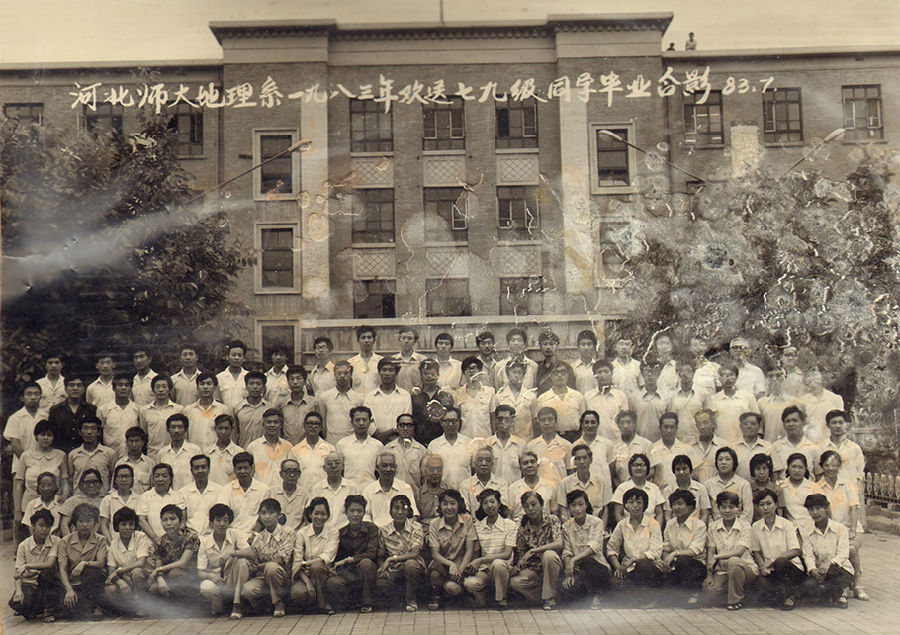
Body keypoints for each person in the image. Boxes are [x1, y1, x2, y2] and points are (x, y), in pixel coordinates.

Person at [814, 450, 868, 600]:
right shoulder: (818, 487)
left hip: (851, 528)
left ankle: (857, 583)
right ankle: (841, 586)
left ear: (839, 466)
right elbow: (825, 511)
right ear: (822, 466)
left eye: (834, 465)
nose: (830, 469)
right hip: (831, 529)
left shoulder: (847, 484)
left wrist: (852, 530)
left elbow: (854, 507)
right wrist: (833, 530)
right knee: (835, 552)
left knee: (851, 550)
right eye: (827, 465)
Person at [239, 498, 294, 618]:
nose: (267, 517)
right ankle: (266, 606)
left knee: (271, 567)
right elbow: (253, 561)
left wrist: (259, 566)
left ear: (279, 515)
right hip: (263, 577)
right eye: (263, 513)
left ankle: (279, 602)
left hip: (283, 577)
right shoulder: (258, 539)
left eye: (271, 513)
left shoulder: (288, 533)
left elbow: (280, 559)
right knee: (247, 590)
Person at [749, 488, 804, 610]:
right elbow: (756, 552)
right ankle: (782, 594)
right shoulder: (756, 526)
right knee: (761, 585)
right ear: (758, 507)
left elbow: (796, 550)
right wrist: (762, 567)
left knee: (781, 562)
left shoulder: (787, 524)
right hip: (771, 569)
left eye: (769, 504)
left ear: (776, 505)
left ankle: (790, 596)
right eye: (762, 505)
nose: (765, 508)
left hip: (790, 568)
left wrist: (774, 560)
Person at [703, 491, 757, 610]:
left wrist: (719, 556)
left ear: (738, 509)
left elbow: (739, 551)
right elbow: (711, 551)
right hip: (722, 569)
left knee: (734, 561)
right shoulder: (713, 526)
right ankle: (733, 592)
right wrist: (709, 575)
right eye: (723, 507)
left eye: (731, 507)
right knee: (710, 592)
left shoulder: (745, 526)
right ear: (718, 508)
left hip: (745, 568)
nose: (727, 511)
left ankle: (734, 601)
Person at [463, 488, 516, 609]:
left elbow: (507, 554)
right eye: (485, 503)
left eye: (492, 501)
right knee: (470, 583)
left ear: (499, 503)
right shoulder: (477, 527)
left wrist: (482, 560)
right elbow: (476, 554)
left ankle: (501, 599)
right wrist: (476, 567)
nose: (489, 506)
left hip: (504, 569)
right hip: (485, 570)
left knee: (498, 564)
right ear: (481, 506)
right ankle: (484, 599)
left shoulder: (510, 525)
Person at [510, 490, 563, 610]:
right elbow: (522, 555)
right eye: (527, 506)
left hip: (552, 566)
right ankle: (543, 597)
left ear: (541, 504)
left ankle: (549, 598)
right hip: (534, 569)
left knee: (548, 555)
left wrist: (534, 550)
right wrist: (517, 567)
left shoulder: (552, 520)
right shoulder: (524, 527)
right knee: (514, 582)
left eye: (534, 504)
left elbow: (558, 543)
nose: (531, 509)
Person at [4, 382, 49, 524]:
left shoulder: (46, 415)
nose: (33, 397)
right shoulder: (16, 418)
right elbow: (15, 444)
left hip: (44, 464)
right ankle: (19, 535)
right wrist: (29, 461)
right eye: (29, 394)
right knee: (20, 507)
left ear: (41, 397)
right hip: (21, 465)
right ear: (22, 398)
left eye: (36, 394)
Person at [326, 495, 379, 613]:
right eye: (352, 511)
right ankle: (350, 603)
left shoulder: (371, 529)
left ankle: (366, 604)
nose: (355, 514)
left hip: (367, 571)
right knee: (332, 582)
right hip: (348, 573)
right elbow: (338, 560)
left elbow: (371, 554)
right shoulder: (341, 533)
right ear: (346, 512)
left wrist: (350, 559)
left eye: (359, 511)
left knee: (366, 563)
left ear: (364, 512)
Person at [800, 494, 854, 608]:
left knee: (834, 578)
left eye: (818, 508)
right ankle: (834, 593)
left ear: (826, 508)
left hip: (840, 569)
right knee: (808, 587)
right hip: (819, 572)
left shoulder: (840, 529)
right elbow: (808, 555)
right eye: (811, 509)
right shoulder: (807, 531)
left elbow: (843, 553)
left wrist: (829, 564)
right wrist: (812, 570)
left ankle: (840, 592)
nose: (815, 512)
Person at [560, 489, 611, 609]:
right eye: (573, 505)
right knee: (567, 590)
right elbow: (567, 551)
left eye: (581, 504)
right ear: (569, 508)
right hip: (577, 569)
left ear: (586, 505)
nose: (577, 509)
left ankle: (596, 596)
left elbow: (593, 547)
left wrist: (574, 560)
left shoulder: (597, 522)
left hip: (597, 566)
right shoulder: (566, 526)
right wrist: (569, 573)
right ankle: (587, 596)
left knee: (587, 561)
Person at [197, 503, 250, 618]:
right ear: (211, 523)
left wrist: (232, 553)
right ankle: (222, 603)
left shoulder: (235, 534)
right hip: (217, 580)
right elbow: (200, 571)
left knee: (242, 561)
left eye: (225, 520)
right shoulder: (205, 542)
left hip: (234, 578)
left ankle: (237, 604)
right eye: (218, 520)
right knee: (206, 587)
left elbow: (250, 553)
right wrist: (211, 576)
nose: (222, 524)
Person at [818, 409, 866, 533]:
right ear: (828, 425)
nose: (838, 426)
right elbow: (818, 472)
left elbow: (860, 473)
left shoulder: (854, 448)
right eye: (834, 422)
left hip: (849, 494)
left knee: (852, 530)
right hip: (829, 492)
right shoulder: (821, 447)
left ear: (846, 424)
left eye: (841, 422)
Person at [427, 489, 476, 610]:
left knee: (457, 588)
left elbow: (470, 549)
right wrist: (451, 565)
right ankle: (436, 595)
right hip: (444, 566)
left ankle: (459, 594)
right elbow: (435, 554)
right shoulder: (434, 524)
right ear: (440, 506)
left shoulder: (467, 519)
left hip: (463, 564)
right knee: (436, 574)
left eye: (453, 503)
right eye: (445, 504)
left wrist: (460, 569)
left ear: (459, 504)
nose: (449, 507)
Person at [376, 494, 426, 612]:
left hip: (413, 565)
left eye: (404, 509)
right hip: (393, 568)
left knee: (410, 565)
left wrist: (391, 558)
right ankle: (396, 601)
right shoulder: (384, 530)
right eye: (396, 508)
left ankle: (411, 600)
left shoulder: (416, 527)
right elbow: (380, 555)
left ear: (408, 511)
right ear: (390, 511)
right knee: (381, 582)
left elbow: (415, 553)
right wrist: (381, 567)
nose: (400, 512)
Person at [57, 503, 108, 620]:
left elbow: (100, 562)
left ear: (95, 523)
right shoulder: (65, 541)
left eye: (89, 521)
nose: (85, 525)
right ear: (75, 523)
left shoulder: (101, 540)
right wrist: (69, 589)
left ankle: (96, 607)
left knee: (93, 571)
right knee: (70, 611)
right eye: (81, 521)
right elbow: (62, 568)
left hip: (90, 583)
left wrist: (84, 563)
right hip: (72, 583)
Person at [10, 508, 61, 623]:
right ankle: (35, 608)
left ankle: (48, 611)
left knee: (47, 572)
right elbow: (18, 572)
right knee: (17, 602)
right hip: (30, 583)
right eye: (41, 525)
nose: (45, 530)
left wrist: (28, 566)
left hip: (47, 581)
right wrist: (18, 590)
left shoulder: (56, 541)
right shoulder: (23, 545)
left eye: (48, 526)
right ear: (33, 526)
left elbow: (49, 563)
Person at [290, 497, 339, 614]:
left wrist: (305, 563)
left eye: (323, 514)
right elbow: (297, 562)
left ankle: (322, 603)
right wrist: (307, 582)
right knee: (298, 593)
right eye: (316, 513)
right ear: (310, 514)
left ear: (328, 516)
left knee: (317, 566)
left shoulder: (333, 532)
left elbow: (327, 557)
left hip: (325, 573)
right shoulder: (302, 533)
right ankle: (312, 604)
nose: (319, 517)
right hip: (305, 574)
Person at [14, 420, 69, 522]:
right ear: (36, 436)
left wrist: (65, 494)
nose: (45, 438)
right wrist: (17, 511)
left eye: (49, 435)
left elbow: (64, 480)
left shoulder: (61, 455)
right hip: (29, 505)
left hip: (53, 506)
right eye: (42, 434)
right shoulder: (26, 456)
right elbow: (18, 484)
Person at [104, 506, 151, 615]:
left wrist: (120, 571)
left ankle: (142, 606)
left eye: (131, 524)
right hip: (126, 580)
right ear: (117, 526)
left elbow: (141, 562)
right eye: (123, 524)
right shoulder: (113, 545)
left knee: (136, 572)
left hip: (144, 578)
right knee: (110, 589)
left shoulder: (141, 537)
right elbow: (111, 572)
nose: (128, 528)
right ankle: (128, 610)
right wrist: (119, 581)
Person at [659, 489, 706, 598]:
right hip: (675, 564)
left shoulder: (699, 525)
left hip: (695, 565)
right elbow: (666, 547)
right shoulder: (670, 524)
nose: (676, 508)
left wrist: (674, 554)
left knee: (682, 560)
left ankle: (691, 595)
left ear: (690, 507)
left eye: (680, 504)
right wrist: (666, 561)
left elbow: (694, 550)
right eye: (674, 504)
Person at [148, 504, 200, 599]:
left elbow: (182, 563)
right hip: (167, 576)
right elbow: (158, 564)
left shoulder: (191, 538)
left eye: (172, 519)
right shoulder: (160, 542)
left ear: (180, 521)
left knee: (174, 573)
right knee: (154, 588)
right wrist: (160, 578)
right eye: (165, 520)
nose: (168, 523)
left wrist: (159, 570)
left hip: (189, 576)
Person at [217, 452, 271, 537]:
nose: (242, 471)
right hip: (232, 536)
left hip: (256, 536)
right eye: (239, 468)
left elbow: (264, 517)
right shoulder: (227, 489)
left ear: (252, 468)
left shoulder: (264, 490)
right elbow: (222, 515)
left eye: (246, 468)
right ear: (234, 470)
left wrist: (254, 535)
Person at [556, 444, 612, 527]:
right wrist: (569, 528)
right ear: (574, 462)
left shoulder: (602, 482)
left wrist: (601, 530)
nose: (582, 462)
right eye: (578, 459)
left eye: (585, 458)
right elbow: (563, 509)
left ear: (591, 460)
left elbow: (606, 510)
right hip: (573, 528)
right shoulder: (565, 483)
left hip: (596, 527)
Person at [707, 361, 758, 444]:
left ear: (737, 377)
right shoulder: (713, 400)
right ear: (719, 378)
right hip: (721, 443)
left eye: (731, 375)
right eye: (724, 375)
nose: (728, 378)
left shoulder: (748, 397)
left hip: (743, 442)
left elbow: (757, 420)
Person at [363, 451, 419, 526]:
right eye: (384, 466)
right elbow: (366, 517)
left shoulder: (405, 488)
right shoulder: (368, 491)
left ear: (396, 467)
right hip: (376, 531)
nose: (388, 469)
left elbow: (413, 515)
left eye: (392, 466)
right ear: (377, 468)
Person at [364, 358, 412, 444]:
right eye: (384, 370)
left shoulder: (405, 395)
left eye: (390, 370)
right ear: (379, 372)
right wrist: (377, 435)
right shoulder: (370, 396)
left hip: (398, 441)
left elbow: (406, 420)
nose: (387, 373)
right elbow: (367, 419)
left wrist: (389, 433)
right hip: (375, 441)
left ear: (396, 373)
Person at [307, 452, 358, 533]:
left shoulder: (352, 487)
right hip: (324, 533)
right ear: (324, 468)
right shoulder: (318, 488)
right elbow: (310, 514)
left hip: (346, 534)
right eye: (330, 464)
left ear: (343, 466)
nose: (334, 466)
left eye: (337, 463)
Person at [137, 463, 187, 543]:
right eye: (157, 476)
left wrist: (174, 539)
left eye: (164, 476)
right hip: (150, 542)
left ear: (170, 479)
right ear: (152, 479)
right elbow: (141, 520)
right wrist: (155, 539)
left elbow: (182, 520)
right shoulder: (145, 497)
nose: (160, 479)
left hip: (174, 542)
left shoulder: (178, 497)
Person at [245, 408, 295, 488]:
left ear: (281, 425)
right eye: (268, 422)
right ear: (263, 424)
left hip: (281, 491)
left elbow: (292, 471)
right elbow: (249, 473)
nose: (272, 425)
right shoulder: (253, 447)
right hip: (260, 492)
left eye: (276, 422)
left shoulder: (288, 447)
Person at [411, 358, 456, 446]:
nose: (429, 376)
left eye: (432, 374)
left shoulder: (446, 397)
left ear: (438, 375)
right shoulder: (415, 397)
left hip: (442, 442)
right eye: (426, 373)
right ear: (421, 376)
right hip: (419, 441)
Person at [610, 453, 664, 525]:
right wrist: (626, 529)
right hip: (628, 528)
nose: (639, 468)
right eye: (635, 465)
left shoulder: (654, 488)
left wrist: (655, 529)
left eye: (642, 465)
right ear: (630, 468)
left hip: (651, 527)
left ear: (647, 468)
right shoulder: (622, 488)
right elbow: (618, 513)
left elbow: (659, 513)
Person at [336, 406, 383, 486]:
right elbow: (338, 470)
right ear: (351, 422)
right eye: (357, 420)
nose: (361, 423)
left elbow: (380, 471)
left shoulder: (378, 445)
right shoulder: (342, 444)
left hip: (370, 488)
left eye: (364, 420)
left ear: (370, 422)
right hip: (348, 488)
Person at [426, 407, 472, 490]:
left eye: (454, 421)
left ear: (459, 422)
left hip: (465, 493)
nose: (450, 424)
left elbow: (474, 469)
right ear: (441, 422)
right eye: (447, 421)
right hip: (442, 493)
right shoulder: (434, 445)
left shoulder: (469, 443)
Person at [48, 376, 97, 453]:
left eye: (79, 385)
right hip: (61, 453)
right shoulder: (55, 410)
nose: (75, 388)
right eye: (71, 385)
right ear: (65, 388)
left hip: (84, 453)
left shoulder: (91, 409)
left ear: (84, 389)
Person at [527, 406, 573, 488]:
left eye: (550, 419)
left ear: (556, 421)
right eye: (543, 420)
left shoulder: (567, 445)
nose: (546, 423)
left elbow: (570, 472)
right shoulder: (531, 446)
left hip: (560, 490)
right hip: (539, 490)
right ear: (538, 422)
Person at [584, 360, 630, 441]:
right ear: (595, 376)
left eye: (606, 371)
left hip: (617, 440)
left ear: (611, 374)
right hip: (596, 440)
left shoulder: (620, 396)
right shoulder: (588, 397)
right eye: (599, 372)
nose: (603, 375)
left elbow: (625, 422)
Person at [536, 366, 585, 443]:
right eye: (556, 373)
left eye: (563, 373)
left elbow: (582, 419)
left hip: (575, 437)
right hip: (553, 438)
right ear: (551, 377)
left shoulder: (577, 396)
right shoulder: (542, 399)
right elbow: (539, 423)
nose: (560, 375)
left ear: (567, 376)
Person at [183, 372, 230, 451]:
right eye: (202, 384)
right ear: (197, 387)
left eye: (209, 384)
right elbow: (185, 435)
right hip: (194, 454)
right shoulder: (189, 410)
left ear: (215, 387)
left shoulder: (222, 409)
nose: (205, 387)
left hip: (215, 453)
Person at [704, 447, 753, 524]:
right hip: (715, 528)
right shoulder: (708, 484)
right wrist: (714, 527)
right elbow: (707, 512)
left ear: (734, 462)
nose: (723, 462)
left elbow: (748, 512)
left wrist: (738, 527)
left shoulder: (744, 484)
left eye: (727, 459)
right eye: (720, 459)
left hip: (740, 527)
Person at [67, 418, 115, 495]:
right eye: (85, 428)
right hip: (79, 498)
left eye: (93, 428)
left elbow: (113, 477)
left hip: (102, 498)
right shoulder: (73, 455)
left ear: (98, 432)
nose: (89, 432)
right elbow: (70, 479)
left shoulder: (109, 453)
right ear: (80, 432)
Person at [155, 413, 203, 490]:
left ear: (186, 429)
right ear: (167, 430)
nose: (176, 431)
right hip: (169, 495)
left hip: (189, 493)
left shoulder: (195, 450)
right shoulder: (162, 453)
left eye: (180, 427)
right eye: (173, 427)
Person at [665, 361, 708, 445]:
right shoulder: (672, 397)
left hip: (698, 440)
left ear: (693, 373)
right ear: (678, 374)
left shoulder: (703, 393)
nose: (685, 374)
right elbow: (670, 420)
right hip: (679, 441)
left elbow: (710, 418)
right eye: (682, 371)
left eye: (688, 370)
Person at [481, 404, 526, 484]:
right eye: (500, 419)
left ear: (512, 420)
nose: (503, 422)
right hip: (493, 489)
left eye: (507, 419)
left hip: (514, 489)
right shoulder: (486, 444)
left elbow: (525, 471)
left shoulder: (521, 444)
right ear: (495, 420)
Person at [460, 446, 509, 518]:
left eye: (488, 460)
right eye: (480, 460)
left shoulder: (501, 484)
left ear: (492, 464)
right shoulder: (465, 485)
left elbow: (503, 509)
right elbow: (465, 511)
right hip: (474, 524)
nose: (484, 463)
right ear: (474, 463)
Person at [771, 406, 820, 479]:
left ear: (803, 423)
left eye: (795, 420)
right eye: (787, 421)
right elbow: (775, 478)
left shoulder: (813, 448)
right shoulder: (776, 447)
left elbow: (819, 476)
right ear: (784, 425)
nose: (791, 424)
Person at [97, 374, 140, 456]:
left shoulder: (138, 409)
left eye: (127, 385)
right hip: (109, 454)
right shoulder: (103, 410)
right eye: (120, 385)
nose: (123, 388)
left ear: (130, 388)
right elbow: (99, 434)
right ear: (113, 388)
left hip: (132, 454)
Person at [139, 375, 183, 456]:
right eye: (157, 387)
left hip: (173, 453)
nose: (161, 390)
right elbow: (144, 435)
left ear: (169, 389)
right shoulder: (145, 410)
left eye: (164, 387)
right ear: (153, 390)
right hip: (153, 453)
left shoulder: (178, 409)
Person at [456, 356, 498, 439]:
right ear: (464, 373)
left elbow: (492, 416)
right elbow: (458, 418)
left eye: (474, 368)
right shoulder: (459, 392)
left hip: (485, 437)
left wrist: (494, 437)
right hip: (465, 438)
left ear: (480, 371)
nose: (471, 371)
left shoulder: (489, 391)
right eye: (468, 369)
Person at [495, 360, 537, 441]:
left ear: (523, 375)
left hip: (526, 439)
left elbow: (534, 420)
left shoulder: (531, 396)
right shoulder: (499, 396)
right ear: (508, 375)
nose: (517, 375)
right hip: (507, 440)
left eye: (520, 372)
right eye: (514, 372)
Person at [179, 455, 222, 535]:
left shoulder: (220, 491)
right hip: (190, 537)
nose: (200, 471)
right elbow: (182, 522)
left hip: (213, 537)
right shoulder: (183, 492)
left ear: (209, 469)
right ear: (191, 471)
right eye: (196, 468)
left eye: (203, 467)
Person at [662, 455, 711, 524]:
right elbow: (667, 515)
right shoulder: (668, 490)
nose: (681, 472)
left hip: (696, 527)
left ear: (690, 469)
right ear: (674, 471)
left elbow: (705, 514)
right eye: (678, 469)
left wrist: (699, 527)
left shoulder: (701, 488)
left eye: (684, 468)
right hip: (676, 527)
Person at [508, 451, 556, 521]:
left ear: (538, 465)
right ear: (520, 468)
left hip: (545, 525)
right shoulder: (513, 488)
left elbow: (554, 512)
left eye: (532, 462)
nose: (529, 465)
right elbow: (509, 515)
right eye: (525, 463)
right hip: (519, 525)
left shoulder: (550, 486)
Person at [799, 368, 843, 444]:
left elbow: (842, 423)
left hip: (831, 442)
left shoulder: (835, 398)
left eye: (816, 374)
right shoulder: (802, 401)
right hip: (810, 443)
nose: (814, 377)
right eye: (811, 375)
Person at [649, 412, 693, 488]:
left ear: (676, 428)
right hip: (660, 491)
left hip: (682, 491)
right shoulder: (652, 449)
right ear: (660, 428)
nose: (669, 430)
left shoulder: (686, 449)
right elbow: (649, 475)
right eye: (666, 427)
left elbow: (693, 475)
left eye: (672, 427)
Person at [733, 412, 780, 481]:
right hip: (739, 487)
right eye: (745, 424)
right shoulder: (733, 447)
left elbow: (775, 473)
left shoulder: (768, 446)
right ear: (741, 426)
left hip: (763, 487)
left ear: (759, 426)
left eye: (753, 424)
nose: (749, 427)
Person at [610, 410, 652, 487]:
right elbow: (612, 474)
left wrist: (638, 485)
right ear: (618, 425)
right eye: (622, 423)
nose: (625, 426)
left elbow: (652, 470)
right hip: (621, 488)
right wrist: (622, 488)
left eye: (629, 422)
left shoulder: (646, 444)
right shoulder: (613, 446)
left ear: (635, 424)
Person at [384, 413, 427, 487]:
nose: (405, 428)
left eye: (409, 425)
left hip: (414, 492)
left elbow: (425, 478)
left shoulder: (422, 451)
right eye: (402, 425)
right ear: (397, 427)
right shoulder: (388, 449)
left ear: (413, 428)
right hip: (393, 492)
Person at [280, 365, 319, 445]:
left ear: (305, 381)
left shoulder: (314, 403)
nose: (295, 382)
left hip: (307, 446)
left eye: (299, 378)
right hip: (287, 446)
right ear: (287, 382)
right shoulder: (282, 404)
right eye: (291, 379)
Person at [58, 469, 105, 536]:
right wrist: (70, 540)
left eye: (95, 482)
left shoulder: (106, 500)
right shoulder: (72, 501)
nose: (91, 485)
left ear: (100, 484)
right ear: (81, 484)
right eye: (87, 482)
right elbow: (64, 525)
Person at [100, 464, 140, 540]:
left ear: (132, 479)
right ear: (115, 479)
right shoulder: (108, 499)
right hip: (113, 542)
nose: (124, 480)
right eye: (121, 476)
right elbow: (104, 525)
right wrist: (111, 543)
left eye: (127, 476)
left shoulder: (139, 499)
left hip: (135, 543)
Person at [778, 452, 815, 532]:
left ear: (805, 469)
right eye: (793, 466)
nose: (797, 470)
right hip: (789, 530)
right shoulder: (781, 486)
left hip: (811, 528)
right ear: (788, 467)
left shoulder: (813, 487)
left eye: (800, 467)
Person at [689, 409, 728, 482]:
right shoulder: (690, 447)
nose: (702, 427)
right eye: (699, 424)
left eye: (705, 422)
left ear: (713, 423)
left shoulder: (723, 445)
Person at [235, 371, 272, 448]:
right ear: (246, 386)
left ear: (263, 387)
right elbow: (234, 433)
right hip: (244, 450)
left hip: (265, 450)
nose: (255, 387)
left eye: (258, 384)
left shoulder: (270, 408)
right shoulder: (238, 408)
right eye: (251, 384)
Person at [757, 361, 792, 442]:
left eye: (778, 375)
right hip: (769, 445)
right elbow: (759, 431)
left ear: (784, 377)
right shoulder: (761, 403)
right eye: (771, 376)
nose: (774, 379)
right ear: (766, 379)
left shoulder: (793, 402)